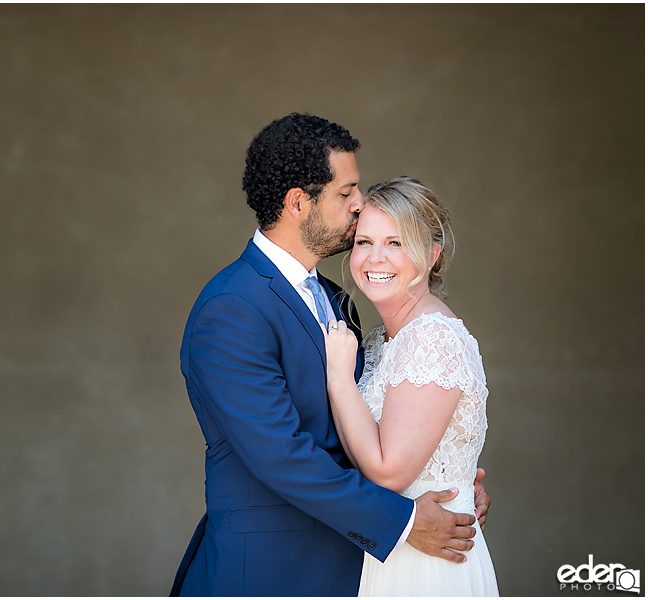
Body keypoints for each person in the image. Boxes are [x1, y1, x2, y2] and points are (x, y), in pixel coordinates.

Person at [170, 114, 491, 597]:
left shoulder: (334, 296)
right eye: (346, 193)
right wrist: (404, 519)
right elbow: (281, 454)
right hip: (268, 571)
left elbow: (364, 426)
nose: (360, 205)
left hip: (351, 566)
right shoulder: (232, 308)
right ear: (299, 203)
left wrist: (452, 477)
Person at [324, 176, 499, 595]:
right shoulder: (380, 340)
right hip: (388, 550)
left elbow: (388, 473)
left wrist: (338, 378)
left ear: (433, 254)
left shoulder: (432, 337)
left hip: (427, 565)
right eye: (364, 242)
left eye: (396, 243)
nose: (375, 258)